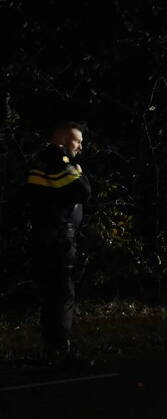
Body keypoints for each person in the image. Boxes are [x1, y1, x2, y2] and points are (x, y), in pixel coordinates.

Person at [26, 121, 91, 362]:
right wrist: (76, 168)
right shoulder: (57, 161)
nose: (81, 147)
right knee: (63, 295)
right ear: (62, 139)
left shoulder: (40, 160)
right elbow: (83, 190)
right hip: (59, 240)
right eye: (77, 141)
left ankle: (50, 346)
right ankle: (60, 349)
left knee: (51, 294)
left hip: (46, 237)